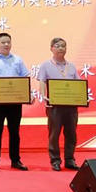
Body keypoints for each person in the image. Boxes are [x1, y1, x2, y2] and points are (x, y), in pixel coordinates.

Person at [0, 33, 30, 172]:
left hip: (15, 102)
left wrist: (27, 95)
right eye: (3, 42)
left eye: (8, 42)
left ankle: (15, 160)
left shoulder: (18, 60)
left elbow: (25, 78)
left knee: (14, 132)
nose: (6, 44)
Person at [37, 37, 81, 171]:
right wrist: (44, 96)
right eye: (57, 46)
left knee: (71, 134)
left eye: (63, 46)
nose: (61, 48)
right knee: (54, 134)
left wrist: (82, 97)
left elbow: (79, 84)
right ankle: (55, 160)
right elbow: (42, 81)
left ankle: (70, 160)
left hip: (71, 106)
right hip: (54, 106)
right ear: (51, 48)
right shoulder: (46, 65)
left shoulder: (71, 66)